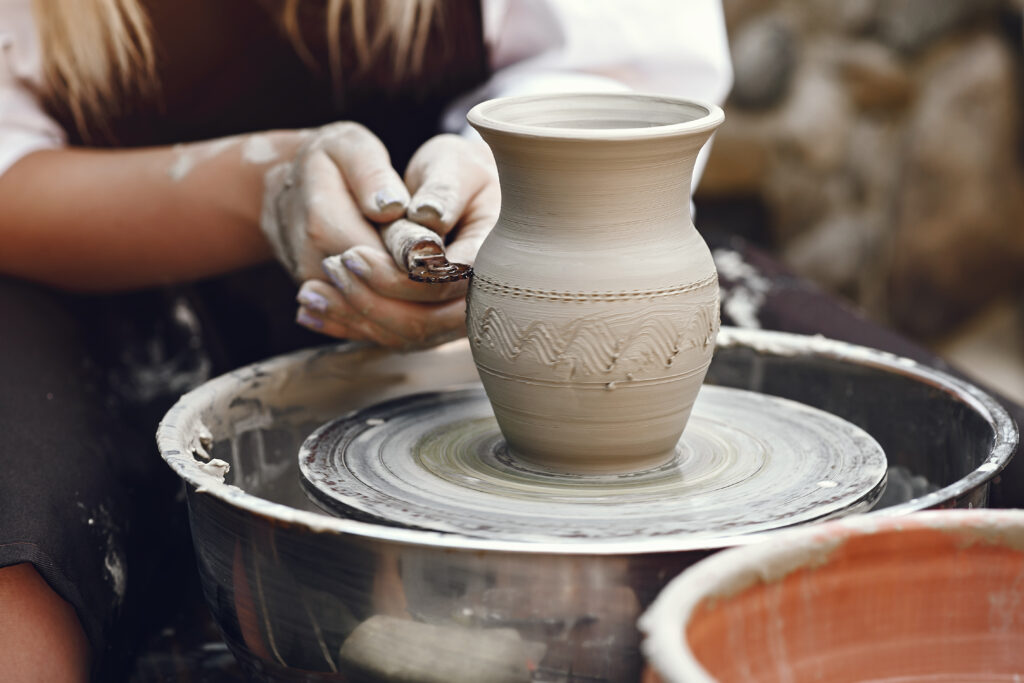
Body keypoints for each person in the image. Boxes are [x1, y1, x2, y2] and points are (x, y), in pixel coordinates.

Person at [0, 0, 732, 680]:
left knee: (790, 551)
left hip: (518, 236)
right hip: (100, 259)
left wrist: (509, 184)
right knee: (17, 594)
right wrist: (266, 187)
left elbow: (621, 85)